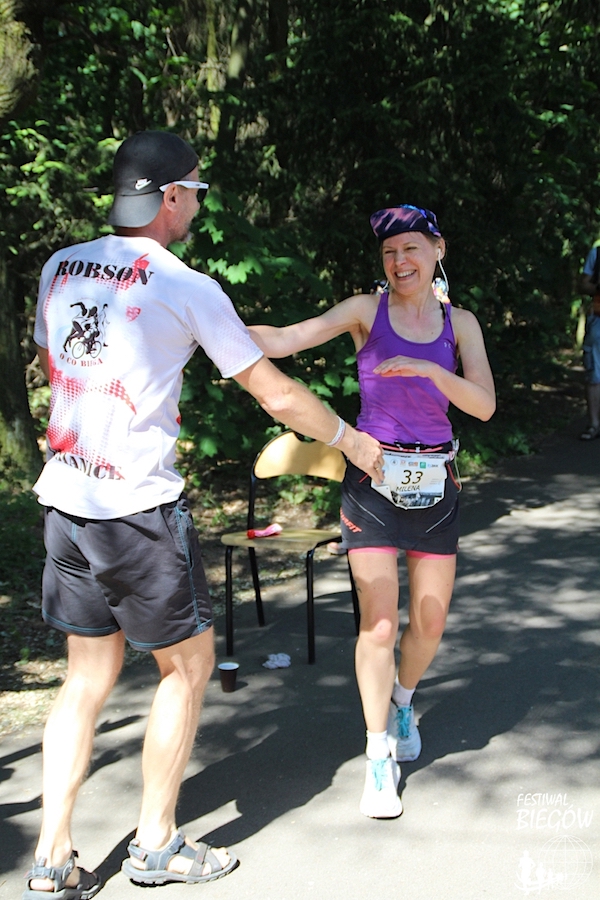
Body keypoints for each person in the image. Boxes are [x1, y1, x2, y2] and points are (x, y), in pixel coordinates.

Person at [25, 130, 383, 899]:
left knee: (84, 678)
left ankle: (52, 857)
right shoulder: (184, 284)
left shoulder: (60, 267)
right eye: (196, 190)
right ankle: (156, 844)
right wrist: (351, 440)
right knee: (186, 668)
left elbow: (65, 363)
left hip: (67, 500)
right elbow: (275, 393)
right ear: (169, 197)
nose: (198, 204)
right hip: (137, 511)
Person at [248, 204, 495, 819]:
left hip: (436, 482)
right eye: (389, 252)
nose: (400, 261)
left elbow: (484, 405)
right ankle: (378, 749)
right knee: (379, 624)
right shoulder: (366, 310)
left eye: (411, 248)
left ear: (438, 249)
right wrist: (206, 321)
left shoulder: (460, 324)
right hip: (372, 476)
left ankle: (404, 700)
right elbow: (286, 339)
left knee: (429, 621)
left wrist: (431, 370)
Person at [578, 243, 600, 440]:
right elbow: (583, 284)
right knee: (594, 372)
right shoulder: (597, 253)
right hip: (598, 319)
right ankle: (594, 424)